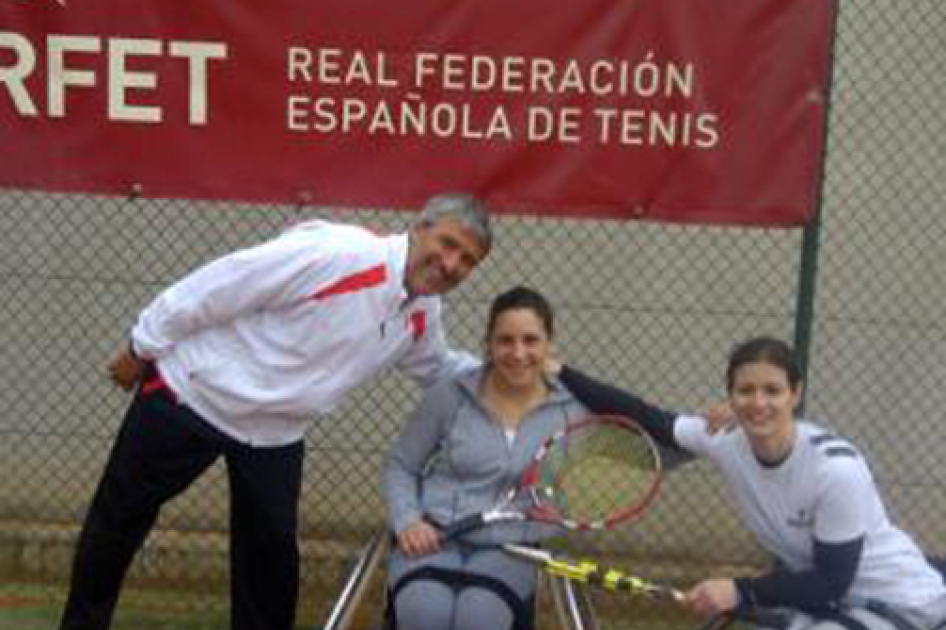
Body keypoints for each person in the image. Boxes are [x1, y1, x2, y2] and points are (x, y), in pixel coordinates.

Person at [59, 193, 493, 630]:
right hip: (193, 395)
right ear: (419, 228)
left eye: (468, 260)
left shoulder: (422, 311)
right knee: (117, 524)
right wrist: (142, 345)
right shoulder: (339, 254)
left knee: (270, 564)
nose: (452, 263)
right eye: (448, 243)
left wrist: (514, 372)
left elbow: (436, 366)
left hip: (274, 435)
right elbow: (221, 284)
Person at [551, 336, 946, 630]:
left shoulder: (835, 470)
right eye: (746, 390)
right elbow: (645, 416)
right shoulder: (725, 442)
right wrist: (560, 372)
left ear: (796, 394)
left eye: (772, 390)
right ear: (731, 396)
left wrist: (741, 590)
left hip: (905, 605)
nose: (759, 403)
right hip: (833, 605)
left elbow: (830, 581)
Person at [382, 286, 587, 630]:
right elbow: (402, 465)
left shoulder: (572, 409)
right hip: (434, 537)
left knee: (479, 618)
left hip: (512, 548)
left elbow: (650, 446)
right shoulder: (452, 394)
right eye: (505, 340)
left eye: (531, 340)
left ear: (549, 344)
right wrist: (408, 521)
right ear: (489, 344)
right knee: (424, 613)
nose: (518, 353)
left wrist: (706, 429)